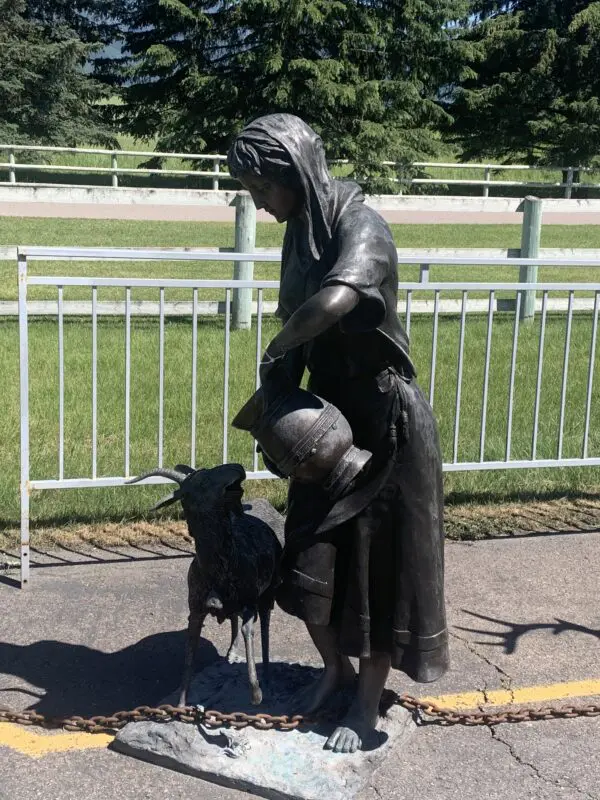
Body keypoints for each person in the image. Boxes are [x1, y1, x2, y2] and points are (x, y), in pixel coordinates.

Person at [227, 114, 449, 754]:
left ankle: (365, 706)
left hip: (385, 427)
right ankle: (335, 671)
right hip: (323, 422)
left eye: (263, 189)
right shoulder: (298, 232)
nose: (261, 206)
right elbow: (295, 318)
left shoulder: (362, 224)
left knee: (375, 574)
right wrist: (272, 407)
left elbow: (331, 302)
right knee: (308, 555)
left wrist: (279, 340)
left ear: (295, 172)